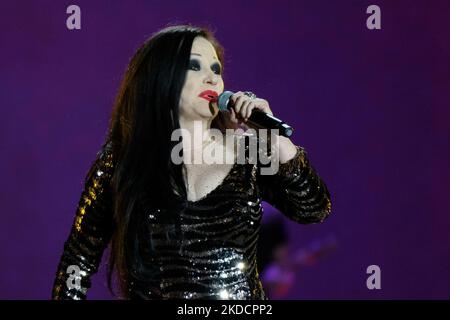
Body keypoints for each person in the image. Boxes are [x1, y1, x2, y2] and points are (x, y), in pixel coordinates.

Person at [52, 25, 332, 300]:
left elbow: (314, 209)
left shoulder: (248, 152)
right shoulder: (123, 161)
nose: (211, 78)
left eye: (216, 70)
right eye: (195, 67)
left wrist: (273, 136)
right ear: (161, 76)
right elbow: (78, 260)